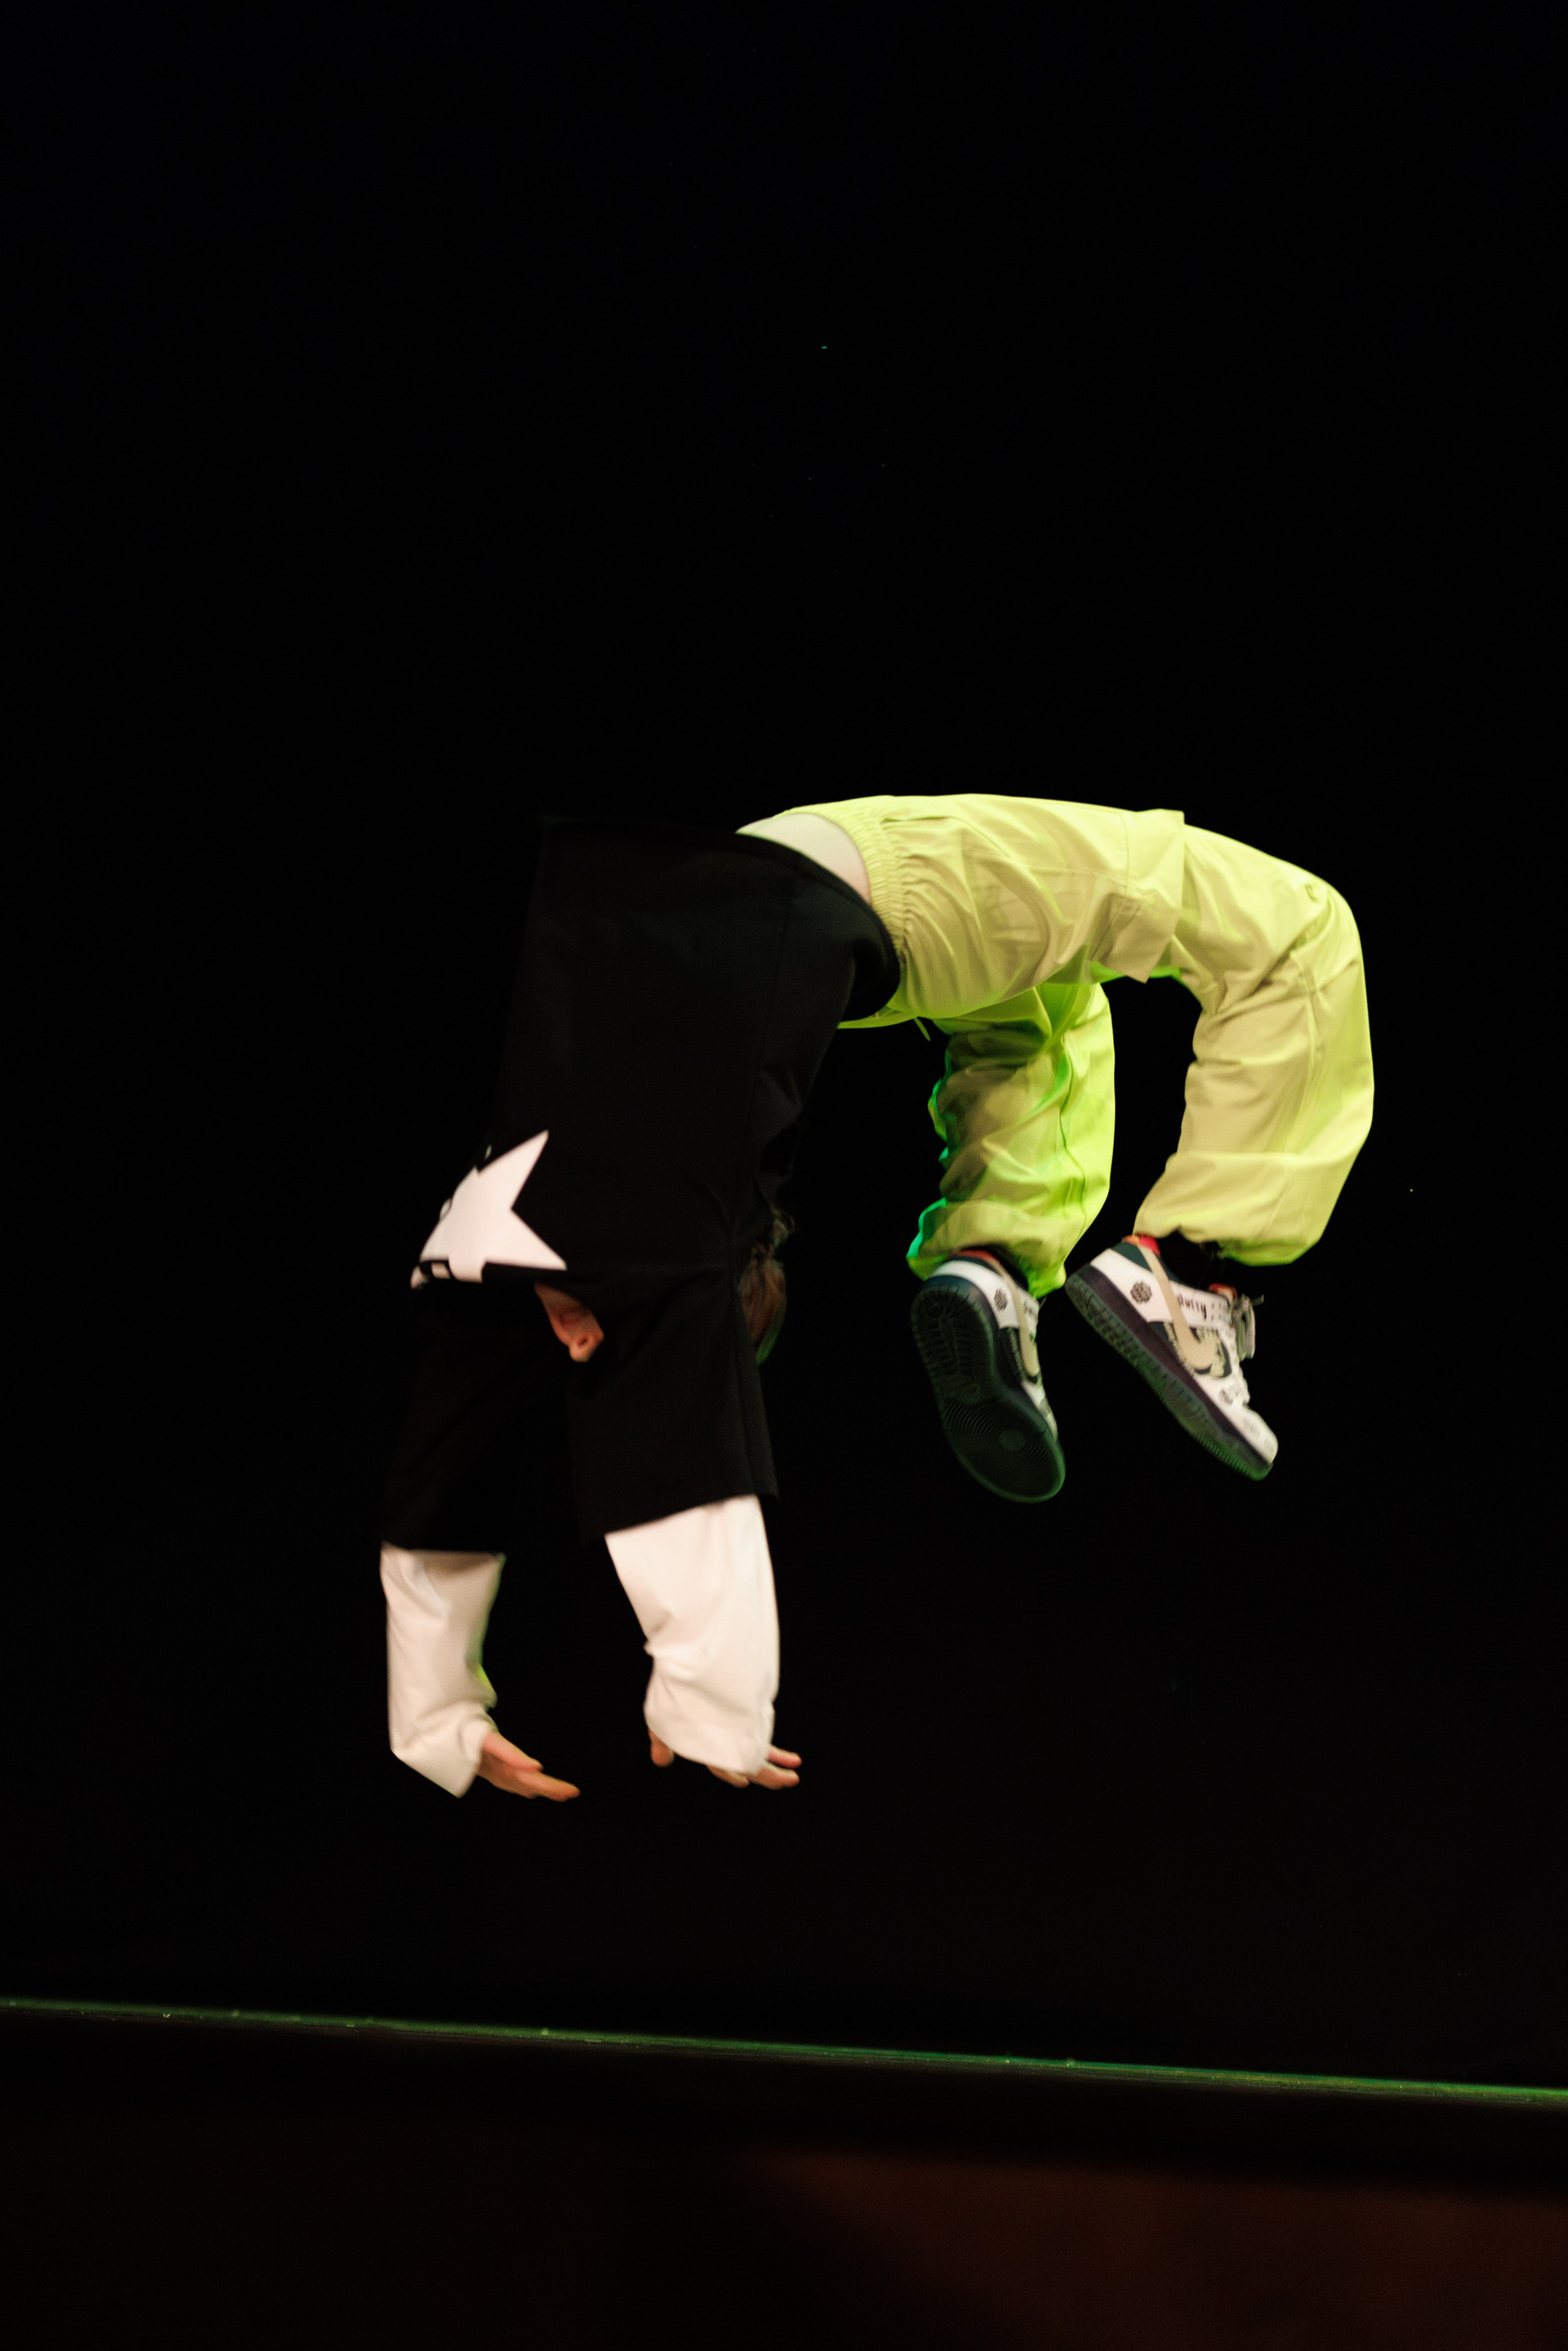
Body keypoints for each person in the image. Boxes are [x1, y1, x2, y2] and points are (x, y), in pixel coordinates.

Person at [378, 797, 1372, 1807]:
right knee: (1182, 959)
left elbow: (583, 1463)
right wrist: (451, 1718)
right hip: (830, 894)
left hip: (871, 890)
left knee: (1220, 952)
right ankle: (1090, 1261)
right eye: (608, 1347)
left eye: (586, 1349)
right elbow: (555, 1478)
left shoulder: (544, 1263)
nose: (588, 1344)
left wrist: (693, 1702)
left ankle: (1103, 1264)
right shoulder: (529, 1246)